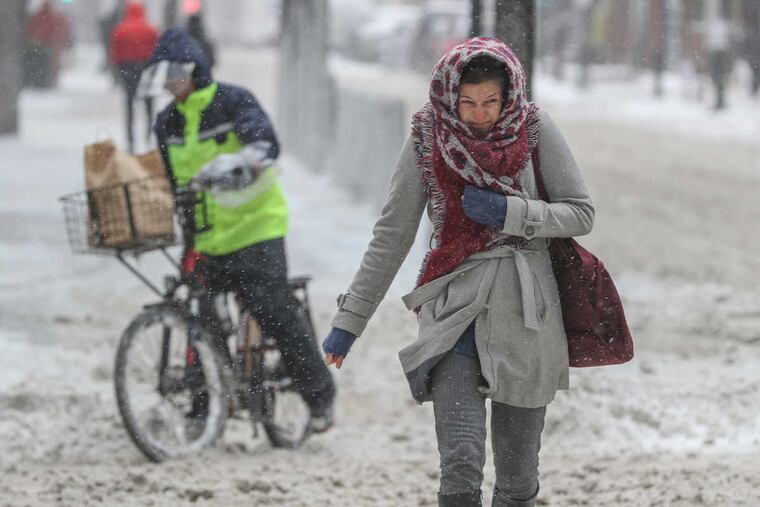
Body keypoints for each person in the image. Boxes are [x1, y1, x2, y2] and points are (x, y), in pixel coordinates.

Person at [322, 37, 594, 506]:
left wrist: (513, 212)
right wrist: (350, 321)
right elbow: (392, 236)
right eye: (467, 103)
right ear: (449, 95)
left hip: (527, 319)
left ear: (508, 95)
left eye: (490, 101)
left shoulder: (534, 130)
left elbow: (580, 213)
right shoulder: (428, 140)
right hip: (453, 316)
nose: (480, 114)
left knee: (516, 478)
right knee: (461, 465)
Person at [147, 28, 336, 432]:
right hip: (207, 236)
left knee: (273, 310)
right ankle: (203, 407)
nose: (167, 85)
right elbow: (171, 182)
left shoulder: (232, 102)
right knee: (200, 319)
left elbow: (265, 144)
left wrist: (239, 164)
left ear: (194, 71)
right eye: (162, 76)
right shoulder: (167, 122)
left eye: (172, 75)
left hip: (256, 229)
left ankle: (319, 396)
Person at [109, 2, 157, 153]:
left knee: (129, 106)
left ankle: (131, 140)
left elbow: (115, 52)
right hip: (146, 69)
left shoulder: (121, 29)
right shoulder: (150, 29)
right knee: (149, 106)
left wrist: (118, 71)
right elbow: (157, 50)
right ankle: (148, 136)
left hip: (127, 69)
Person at [23, 0, 71, 88]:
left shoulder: (40, 17)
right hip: (45, 45)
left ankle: (40, 80)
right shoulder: (55, 17)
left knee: (42, 64)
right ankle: (43, 80)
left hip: (43, 44)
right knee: (47, 64)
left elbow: (32, 29)